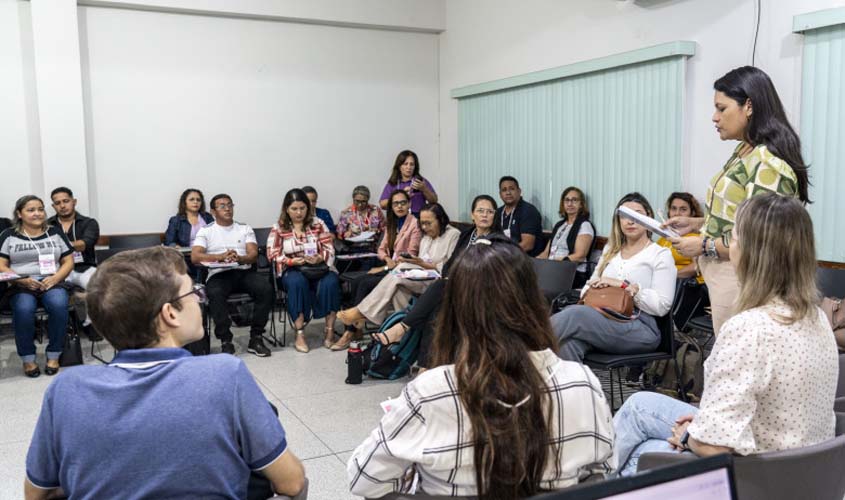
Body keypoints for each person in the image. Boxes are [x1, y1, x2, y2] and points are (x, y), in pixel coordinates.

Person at [24, 247, 306, 499]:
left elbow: (35, 493)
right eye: (194, 292)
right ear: (170, 314)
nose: (199, 298)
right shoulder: (225, 373)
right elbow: (292, 484)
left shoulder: (66, 389)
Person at [348, 235, 614, 499]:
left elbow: (363, 479)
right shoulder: (583, 382)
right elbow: (603, 473)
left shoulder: (430, 391)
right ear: (535, 303)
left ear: (453, 310)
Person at [613, 193, 837, 476]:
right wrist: (699, 426)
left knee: (637, 454)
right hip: (805, 468)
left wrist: (689, 436)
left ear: (750, 253)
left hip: (756, 475)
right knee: (638, 405)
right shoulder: (816, 317)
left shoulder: (748, 328)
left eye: (732, 238)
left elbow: (715, 447)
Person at [665, 66, 810, 335]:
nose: (714, 117)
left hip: (743, 277)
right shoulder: (744, 150)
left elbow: (757, 240)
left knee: (736, 362)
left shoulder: (768, 163)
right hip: (724, 273)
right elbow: (738, 213)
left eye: (722, 108)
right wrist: (697, 223)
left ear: (749, 107)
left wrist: (703, 245)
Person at [373, 195, 501, 366]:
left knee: (440, 286)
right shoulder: (466, 236)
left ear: (495, 215)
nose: (484, 215)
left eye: (489, 212)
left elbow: (493, 273)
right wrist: (451, 276)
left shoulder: (499, 240)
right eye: (480, 211)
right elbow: (450, 264)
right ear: (472, 215)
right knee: (436, 314)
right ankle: (424, 367)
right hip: (456, 287)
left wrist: (454, 277)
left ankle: (402, 329)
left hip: (480, 291)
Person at [551, 193, 676, 362]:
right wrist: (595, 287)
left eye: (637, 214)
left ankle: (519, 349)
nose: (630, 221)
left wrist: (623, 286)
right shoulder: (611, 250)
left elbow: (662, 306)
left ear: (649, 218)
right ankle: (575, 388)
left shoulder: (660, 254)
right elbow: (586, 290)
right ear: (618, 220)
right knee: (567, 344)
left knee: (575, 315)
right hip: (602, 318)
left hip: (641, 328)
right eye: (625, 216)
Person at [336, 203, 459, 348]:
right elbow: (421, 261)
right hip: (420, 277)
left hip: (437, 282)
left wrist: (419, 263)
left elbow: (450, 267)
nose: (425, 227)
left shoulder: (453, 235)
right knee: (399, 288)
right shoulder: (426, 237)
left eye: (428, 223)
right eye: (422, 223)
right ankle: (406, 336)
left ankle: (362, 311)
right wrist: (413, 261)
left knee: (399, 273)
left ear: (441, 220)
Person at [0, 196, 74, 378]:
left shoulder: (55, 232)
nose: (37, 213)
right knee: (24, 308)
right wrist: (20, 279)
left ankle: (54, 355)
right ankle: (28, 358)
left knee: (58, 304)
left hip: (52, 281)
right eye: (31, 210)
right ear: (19, 214)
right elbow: (1, 265)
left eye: (40, 209)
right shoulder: (9, 235)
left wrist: (56, 278)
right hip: (22, 284)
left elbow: (68, 261)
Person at [191, 194, 273, 357]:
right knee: (215, 293)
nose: (227, 208)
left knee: (265, 289)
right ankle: (225, 341)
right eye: (222, 206)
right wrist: (219, 257)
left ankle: (256, 337)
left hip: (243, 271)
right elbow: (195, 256)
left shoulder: (244, 228)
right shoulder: (206, 230)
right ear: (213, 211)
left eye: (230, 205)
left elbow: (253, 254)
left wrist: (240, 258)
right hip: (219, 274)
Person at [338, 189, 421, 343]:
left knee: (364, 283)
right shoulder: (392, 222)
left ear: (409, 204)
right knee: (357, 282)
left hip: (402, 269)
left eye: (403, 202)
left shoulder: (414, 224)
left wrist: (387, 266)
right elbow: (381, 249)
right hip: (390, 266)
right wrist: (387, 259)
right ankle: (357, 328)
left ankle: (351, 330)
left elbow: (411, 254)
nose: (399, 206)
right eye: (395, 204)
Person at [267, 188, 340, 354]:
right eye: (294, 209)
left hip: (317, 267)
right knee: (297, 282)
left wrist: (320, 257)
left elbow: (329, 247)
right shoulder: (279, 227)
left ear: (308, 207)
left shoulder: (318, 223)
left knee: (331, 281)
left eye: (302, 208)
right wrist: (291, 260)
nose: (299, 212)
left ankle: (329, 330)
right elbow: (272, 254)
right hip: (292, 269)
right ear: (286, 209)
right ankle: (300, 333)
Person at [47, 187, 102, 341]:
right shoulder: (47, 225)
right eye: (57, 203)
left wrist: (57, 245)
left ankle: (89, 324)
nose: (62, 205)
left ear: (74, 201)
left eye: (66, 201)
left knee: (96, 286)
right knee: (47, 287)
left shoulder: (89, 223)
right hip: (57, 268)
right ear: (53, 206)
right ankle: (60, 326)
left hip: (82, 267)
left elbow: (85, 244)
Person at [537, 186, 596, 289]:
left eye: (574, 200)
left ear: (581, 204)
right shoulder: (559, 225)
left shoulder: (584, 225)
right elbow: (546, 253)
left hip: (571, 273)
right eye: (567, 200)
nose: (570, 204)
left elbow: (580, 255)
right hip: (552, 269)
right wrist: (533, 262)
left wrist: (556, 263)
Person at [655, 192, 704, 283]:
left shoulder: (696, 238)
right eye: (673, 208)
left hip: (685, 289)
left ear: (692, 213)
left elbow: (698, 266)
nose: (677, 213)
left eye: (683, 209)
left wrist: (672, 275)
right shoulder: (662, 239)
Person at [378, 150, 437, 218]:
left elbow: (434, 201)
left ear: (415, 166)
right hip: (398, 218)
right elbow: (382, 205)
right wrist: (402, 196)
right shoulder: (393, 183)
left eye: (412, 164)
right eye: (405, 164)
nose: (409, 167)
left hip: (418, 218)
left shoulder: (421, 182)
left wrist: (424, 189)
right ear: (399, 166)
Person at [496, 176, 544, 256]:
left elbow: (527, 245)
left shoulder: (528, 211)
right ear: (500, 194)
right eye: (504, 190)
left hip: (525, 260)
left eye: (511, 189)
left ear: (519, 191)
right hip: (503, 257)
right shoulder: (498, 212)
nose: (508, 192)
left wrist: (503, 254)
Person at [336, 185, 385, 250]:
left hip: (374, 246)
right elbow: (339, 235)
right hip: (353, 248)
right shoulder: (346, 213)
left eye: (363, 201)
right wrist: (345, 234)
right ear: (353, 199)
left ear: (368, 199)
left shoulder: (376, 210)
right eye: (357, 201)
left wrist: (377, 230)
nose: (360, 204)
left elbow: (385, 229)